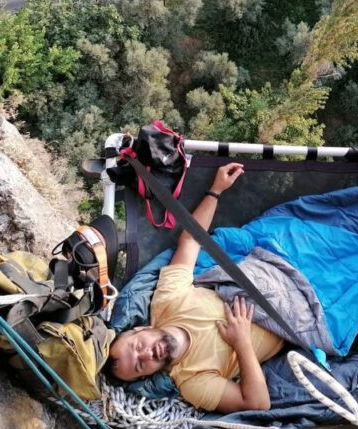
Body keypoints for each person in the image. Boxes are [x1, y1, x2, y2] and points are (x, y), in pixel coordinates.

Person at [107, 162, 285, 413]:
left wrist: (216, 190)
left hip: (271, 273)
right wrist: (242, 341)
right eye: (139, 366)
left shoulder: (168, 301)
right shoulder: (193, 382)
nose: (146, 355)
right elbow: (258, 404)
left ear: (141, 329)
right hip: (291, 320)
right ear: (147, 376)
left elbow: (191, 241)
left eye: (137, 347)